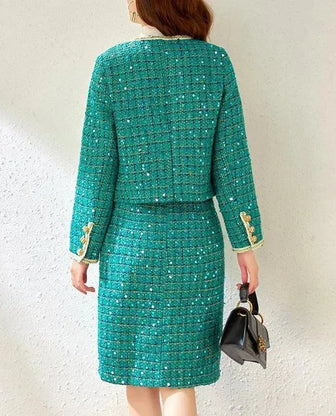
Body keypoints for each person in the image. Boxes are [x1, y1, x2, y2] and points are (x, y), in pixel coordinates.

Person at [69, 1, 264, 415]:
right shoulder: (214, 62)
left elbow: (97, 169)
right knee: (180, 375)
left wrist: (84, 251)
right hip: (195, 242)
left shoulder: (112, 66)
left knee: (136, 370)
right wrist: (245, 246)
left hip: (130, 241)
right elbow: (232, 164)